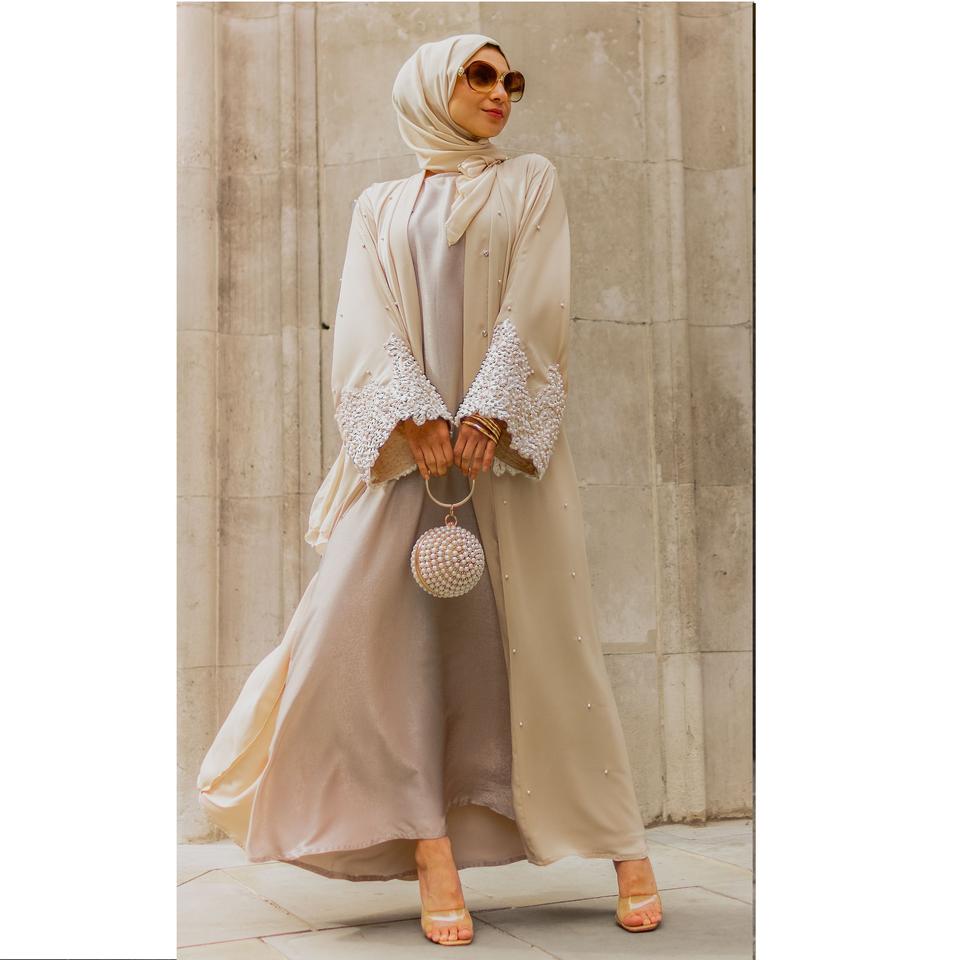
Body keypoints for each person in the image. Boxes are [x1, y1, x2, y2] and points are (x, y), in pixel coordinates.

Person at [197, 33, 663, 946]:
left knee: (548, 643)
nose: (500, 92)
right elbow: (364, 316)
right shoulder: (379, 204)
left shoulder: (530, 181)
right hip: (412, 449)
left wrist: (488, 412)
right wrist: (413, 416)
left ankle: (625, 846)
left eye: (509, 79)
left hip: (505, 452)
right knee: (386, 647)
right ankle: (431, 850)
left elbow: (539, 300)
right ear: (429, 88)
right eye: (479, 76)